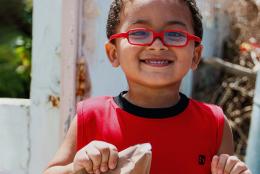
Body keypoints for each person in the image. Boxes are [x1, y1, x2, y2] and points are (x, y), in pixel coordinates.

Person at [43, 0, 252, 173]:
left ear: (195, 56)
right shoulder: (91, 117)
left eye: (175, 34)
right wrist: (75, 168)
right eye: (139, 33)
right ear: (113, 53)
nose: (157, 44)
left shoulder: (213, 124)